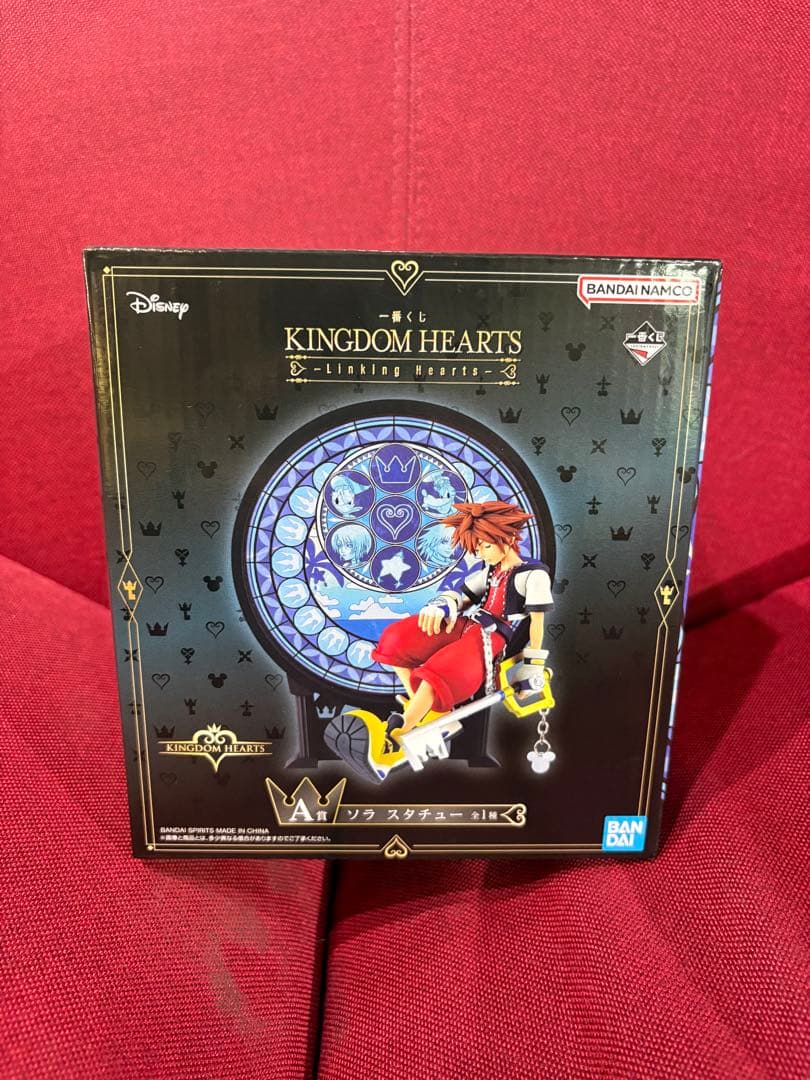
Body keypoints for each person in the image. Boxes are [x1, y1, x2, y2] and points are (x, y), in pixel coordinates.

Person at [328, 501, 553, 781]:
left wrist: (533, 665)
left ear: (506, 539)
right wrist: (442, 606)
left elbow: (537, 624)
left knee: (442, 672)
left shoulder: (533, 575)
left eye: (485, 546)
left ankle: (396, 737)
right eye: (477, 548)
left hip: (492, 638)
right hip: (467, 624)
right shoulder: (491, 571)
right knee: (396, 640)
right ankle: (429, 712)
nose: (481, 553)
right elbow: (462, 596)